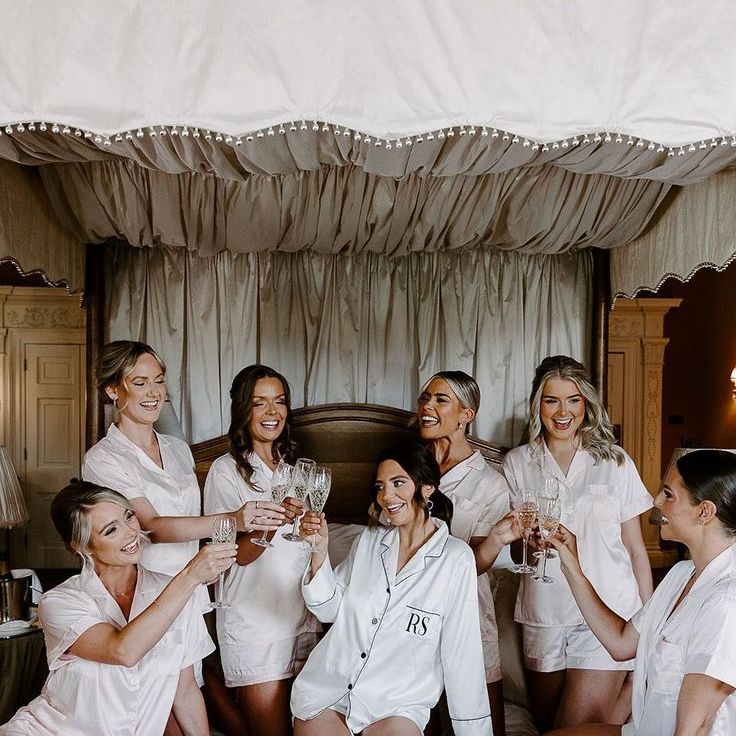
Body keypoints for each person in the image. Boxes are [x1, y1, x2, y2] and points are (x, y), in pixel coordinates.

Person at [291, 441, 495, 736]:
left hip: (397, 705)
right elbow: (328, 610)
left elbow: (462, 655)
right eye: (380, 486)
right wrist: (319, 550)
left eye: (398, 483)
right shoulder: (369, 541)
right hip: (328, 692)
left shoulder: (456, 559)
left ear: (427, 487)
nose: (386, 496)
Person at [0, 481, 236, 736]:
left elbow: (185, 691)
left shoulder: (174, 591)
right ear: (82, 546)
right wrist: (190, 577)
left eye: (128, 516)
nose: (131, 532)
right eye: (111, 530)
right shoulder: (60, 602)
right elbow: (123, 651)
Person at [503, 356, 653, 731]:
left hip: (608, 612)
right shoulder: (517, 463)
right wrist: (531, 545)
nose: (563, 412)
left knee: (574, 729)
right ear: (537, 404)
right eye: (551, 400)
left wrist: (650, 621)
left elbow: (636, 549)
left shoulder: (615, 461)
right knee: (549, 728)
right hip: (543, 612)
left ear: (586, 403)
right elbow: (516, 551)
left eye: (573, 400)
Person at [547, 449, 736, 736]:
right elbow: (621, 644)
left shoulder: (726, 602)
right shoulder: (680, 575)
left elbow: (693, 728)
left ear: (704, 512)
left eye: (668, 495)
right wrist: (571, 564)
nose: (656, 501)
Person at [82, 341, 286, 581]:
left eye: (159, 381)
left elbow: (192, 524)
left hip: (193, 584)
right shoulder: (102, 459)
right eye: (140, 383)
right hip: (142, 589)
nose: (154, 392)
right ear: (113, 390)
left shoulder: (179, 449)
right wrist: (234, 520)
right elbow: (151, 527)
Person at [203, 365, 320, 736]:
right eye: (259, 403)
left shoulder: (294, 470)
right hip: (255, 626)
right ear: (243, 410)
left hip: (302, 619)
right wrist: (273, 521)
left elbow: (304, 546)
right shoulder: (226, 471)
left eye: (280, 401)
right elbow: (233, 555)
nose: (273, 412)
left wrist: (312, 529)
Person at [417, 371, 511, 736]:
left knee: (483, 726)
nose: (427, 406)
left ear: (466, 415)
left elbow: (480, 562)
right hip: (413, 613)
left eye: (441, 400)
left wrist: (495, 540)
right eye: (425, 398)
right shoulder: (406, 469)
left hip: (469, 613)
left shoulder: (490, 484)